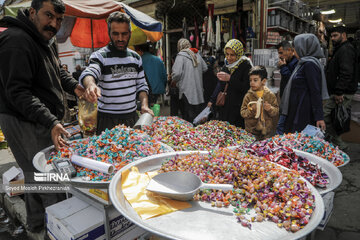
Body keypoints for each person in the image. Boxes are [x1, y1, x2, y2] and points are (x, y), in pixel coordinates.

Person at [0, 0, 85, 232]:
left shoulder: (44, 40)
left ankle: (36, 223)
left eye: (58, 19)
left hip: (40, 117)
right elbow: (18, 92)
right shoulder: (16, 41)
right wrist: (51, 121)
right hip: (23, 119)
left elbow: (56, 70)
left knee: (34, 175)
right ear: (32, 12)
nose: (54, 24)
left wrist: (74, 87)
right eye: (49, 16)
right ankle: (52, 229)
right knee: (45, 178)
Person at [80, 11, 153, 135]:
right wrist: (91, 85)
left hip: (131, 118)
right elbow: (90, 72)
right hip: (107, 120)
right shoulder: (100, 56)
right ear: (109, 33)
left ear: (130, 33)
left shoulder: (136, 58)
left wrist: (144, 105)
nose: (120, 38)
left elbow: (142, 86)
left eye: (124, 34)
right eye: (115, 34)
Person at [278, 33, 328, 134]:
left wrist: (319, 117)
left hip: (303, 111)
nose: (294, 50)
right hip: (297, 108)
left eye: (295, 48)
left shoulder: (310, 65)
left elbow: (315, 91)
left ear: (304, 48)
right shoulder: (303, 63)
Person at [324, 26, 358, 151]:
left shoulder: (346, 50)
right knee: (333, 117)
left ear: (343, 35)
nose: (332, 38)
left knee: (329, 116)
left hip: (341, 93)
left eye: (335, 35)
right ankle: (333, 141)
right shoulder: (341, 49)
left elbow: (346, 72)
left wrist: (339, 92)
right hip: (338, 92)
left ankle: (338, 144)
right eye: (331, 36)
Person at [207, 39, 253, 128]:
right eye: (227, 54)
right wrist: (212, 100)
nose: (229, 57)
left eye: (232, 55)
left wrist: (230, 79)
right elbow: (220, 86)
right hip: (225, 108)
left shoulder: (246, 66)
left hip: (238, 109)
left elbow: (246, 88)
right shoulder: (226, 66)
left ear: (239, 54)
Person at [171, 38, 208, 123]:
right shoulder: (197, 54)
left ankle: (190, 133)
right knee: (197, 115)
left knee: (188, 116)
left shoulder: (181, 56)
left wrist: (174, 80)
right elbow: (205, 68)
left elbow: (176, 74)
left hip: (186, 91)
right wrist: (196, 73)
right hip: (198, 90)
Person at [241, 66, 279, 140]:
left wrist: (270, 109)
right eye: (250, 80)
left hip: (266, 132)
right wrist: (251, 109)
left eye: (255, 80)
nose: (252, 83)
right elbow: (243, 112)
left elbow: (276, 111)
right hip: (251, 132)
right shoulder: (248, 96)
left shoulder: (270, 95)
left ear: (264, 81)